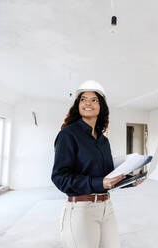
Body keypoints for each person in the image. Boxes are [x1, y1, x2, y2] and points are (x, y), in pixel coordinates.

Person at [51, 80, 144, 248]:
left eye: (94, 100)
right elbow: (60, 177)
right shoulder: (68, 135)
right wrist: (98, 183)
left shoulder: (103, 141)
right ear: (77, 105)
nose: (88, 103)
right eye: (83, 99)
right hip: (80, 209)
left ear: (101, 106)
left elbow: (107, 174)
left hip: (106, 207)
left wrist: (130, 180)